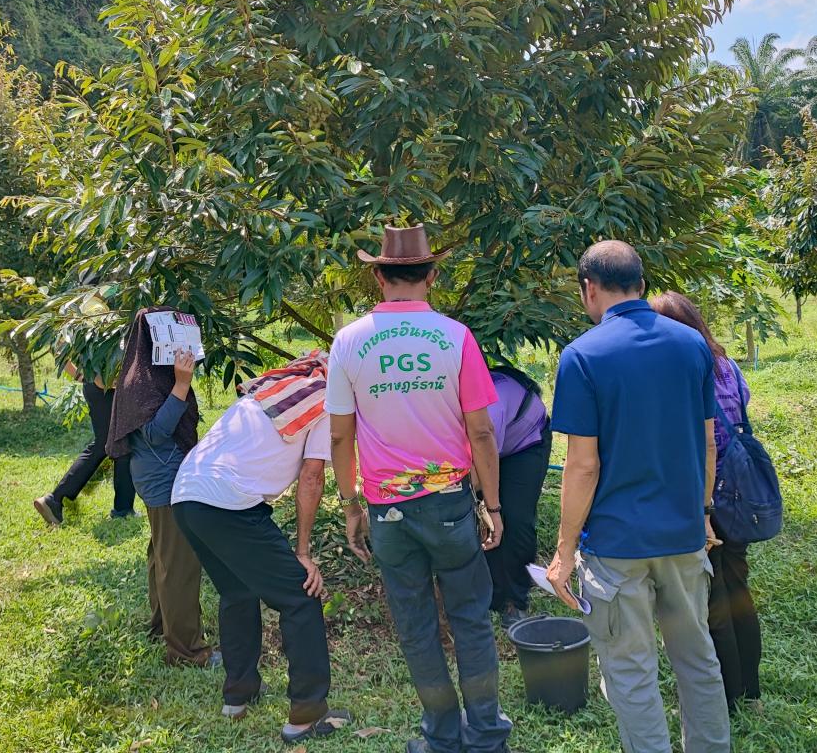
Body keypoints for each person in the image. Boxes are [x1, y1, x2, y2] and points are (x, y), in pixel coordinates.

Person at [326, 224, 514, 753]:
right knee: (471, 621)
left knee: (415, 627)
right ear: (431, 276)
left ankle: (442, 737)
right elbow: (480, 429)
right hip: (450, 505)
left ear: (379, 277)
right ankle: (486, 736)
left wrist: (350, 505)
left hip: (387, 509)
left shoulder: (349, 342)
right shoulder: (455, 336)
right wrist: (492, 505)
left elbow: (340, 433)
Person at [547, 241, 729, 753]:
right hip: (683, 535)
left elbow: (583, 464)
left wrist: (564, 552)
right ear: (642, 286)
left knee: (630, 670)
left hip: (617, 545)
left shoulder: (582, 355)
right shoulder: (691, 345)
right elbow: (708, 439)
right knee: (698, 658)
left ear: (588, 289)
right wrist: (704, 511)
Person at [172, 350, 352, 745]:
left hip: (187, 495)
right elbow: (311, 477)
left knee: (237, 592)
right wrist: (303, 554)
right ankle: (307, 713)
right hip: (229, 501)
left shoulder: (270, 391)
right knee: (300, 597)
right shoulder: (324, 400)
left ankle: (239, 694)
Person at [649, 291, 761, 710]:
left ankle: (725, 696)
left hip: (703, 497)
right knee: (737, 587)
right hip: (738, 491)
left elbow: (691, 440)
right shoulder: (727, 365)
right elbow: (742, 409)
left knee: (709, 600)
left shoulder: (678, 372)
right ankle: (751, 691)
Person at [108, 307, 214, 667]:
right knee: (180, 563)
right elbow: (154, 433)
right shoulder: (143, 383)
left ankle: (162, 627)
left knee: (162, 556)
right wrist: (182, 385)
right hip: (164, 480)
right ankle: (186, 651)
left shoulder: (149, 374)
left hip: (158, 477)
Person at [483, 364, 551, 630]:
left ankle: (514, 600)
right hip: (489, 445)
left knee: (514, 516)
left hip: (525, 443)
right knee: (480, 516)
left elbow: (483, 465)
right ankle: (489, 593)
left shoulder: (491, 409)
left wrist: (492, 505)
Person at [33, 364, 136, 527]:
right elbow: (60, 344)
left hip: (100, 385)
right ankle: (55, 500)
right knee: (107, 444)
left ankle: (123, 509)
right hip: (103, 387)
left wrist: (83, 377)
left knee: (120, 445)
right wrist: (93, 377)